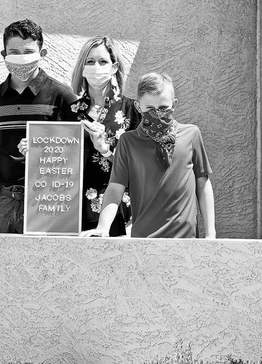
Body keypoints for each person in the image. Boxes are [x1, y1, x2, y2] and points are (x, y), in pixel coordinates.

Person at [79, 72, 216, 239]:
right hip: (143, 240)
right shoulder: (128, 142)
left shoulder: (191, 134)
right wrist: (102, 227)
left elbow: (202, 184)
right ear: (138, 107)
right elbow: (115, 188)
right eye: (150, 108)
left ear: (174, 105)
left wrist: (211, 234)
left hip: (185, 240)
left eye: (163, 108)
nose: (157, 113)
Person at [0, 19, 78, 233]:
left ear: (42, 54)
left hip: (47, 199)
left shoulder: (63, 96)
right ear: (3, 55)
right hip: (1, 199)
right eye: (14, 52)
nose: (21, 58)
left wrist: (43, 147)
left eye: (28, 51)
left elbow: (77, 148)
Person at [69, 36, 139, 236]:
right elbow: (57, 157)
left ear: (114, 67)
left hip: (120, 209)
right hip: (77, 209)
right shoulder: (70, 112)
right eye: (89, 62)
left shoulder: (132, 111)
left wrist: (106, 150)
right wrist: (34, 148)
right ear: (82, 68)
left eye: (102, 61)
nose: (96, 67)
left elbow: (140, 168)